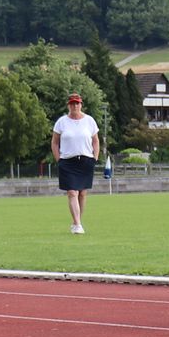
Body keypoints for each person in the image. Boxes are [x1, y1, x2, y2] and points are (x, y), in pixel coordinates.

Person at [50, 92, 102, 234]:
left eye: (77, 103)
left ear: (81, 105)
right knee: (72, 192)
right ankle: (78, 224)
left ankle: (76, 221)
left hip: (85, 160)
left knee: (82, 193)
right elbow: (54, 142)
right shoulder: (61, 122)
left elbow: (96, 141)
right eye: (72, 103)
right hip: (67, 161)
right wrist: (58, 159)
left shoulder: (90, 121)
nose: (75, 106)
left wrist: (94, 157)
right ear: (68, 105)